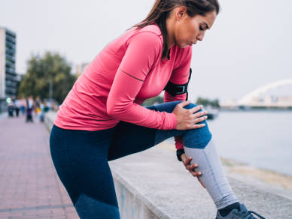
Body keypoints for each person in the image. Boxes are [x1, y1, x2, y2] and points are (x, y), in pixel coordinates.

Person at [50, 0, 265, 218]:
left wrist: (182, 150)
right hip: (76, 140)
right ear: (181, 13)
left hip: (112, 131)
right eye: (202, 27)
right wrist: (172, 122)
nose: (201, 37)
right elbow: (117, 106)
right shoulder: (149, 39)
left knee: (192, 114)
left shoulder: (182, 51)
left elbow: (178, 102)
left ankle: (230, 211)